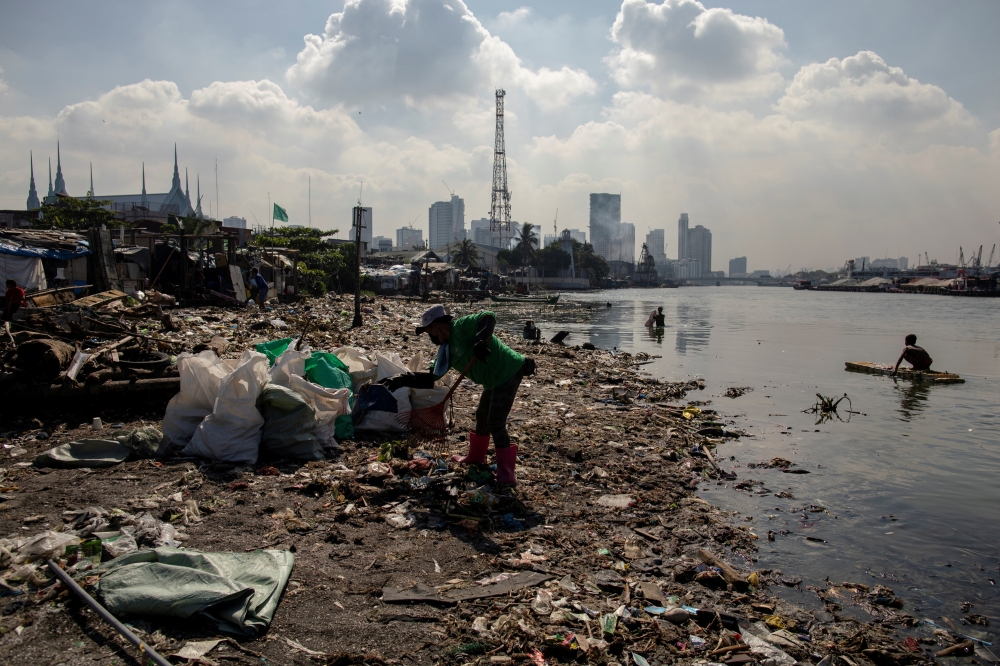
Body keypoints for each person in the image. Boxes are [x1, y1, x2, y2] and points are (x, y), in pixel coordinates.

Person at [384, 305, 534, 485]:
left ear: (437, 325)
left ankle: (506, 474)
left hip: (508, 371)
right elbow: (431, 378)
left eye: (429, 332)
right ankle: (476, 457)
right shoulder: (446, 350)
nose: (430, 337)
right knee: (482, 416)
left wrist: (480, 340)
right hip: (492, 380)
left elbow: (488, 316)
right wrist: (403, 379)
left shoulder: (460, 327)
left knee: (495, 422)